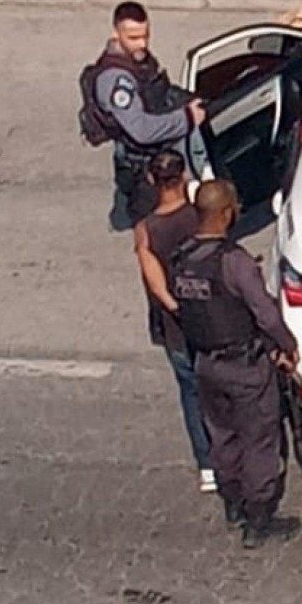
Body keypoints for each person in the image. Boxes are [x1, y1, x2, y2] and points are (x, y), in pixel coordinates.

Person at [170, 179, 302, 548]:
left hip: (205, 363)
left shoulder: (181, 259)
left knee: (222, 434)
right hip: (244, 364)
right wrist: (288, 346)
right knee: (259, 438)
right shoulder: (234, 262)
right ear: (227, 213)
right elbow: (266, 314)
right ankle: (259, 518)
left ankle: (233, 504)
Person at [79, 0, 205, 232]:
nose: (142, 44)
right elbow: (142, 129)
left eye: (145, 36)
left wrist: (189, 99)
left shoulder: (138, 61)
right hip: (142, 169)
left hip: (157, 161)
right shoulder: (116, 80)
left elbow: (159, 92)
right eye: (133, 38)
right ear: (116, 34)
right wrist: (186, 118)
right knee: (154, 233)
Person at [134, 150, 217, 495]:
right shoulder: (201, 216)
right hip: (214, 319)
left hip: (177, 329)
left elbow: (157, 285)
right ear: (183, 177)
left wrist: (180, 310)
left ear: (153, 181)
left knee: (191, 392)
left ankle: (208, 466)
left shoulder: (146, 230)